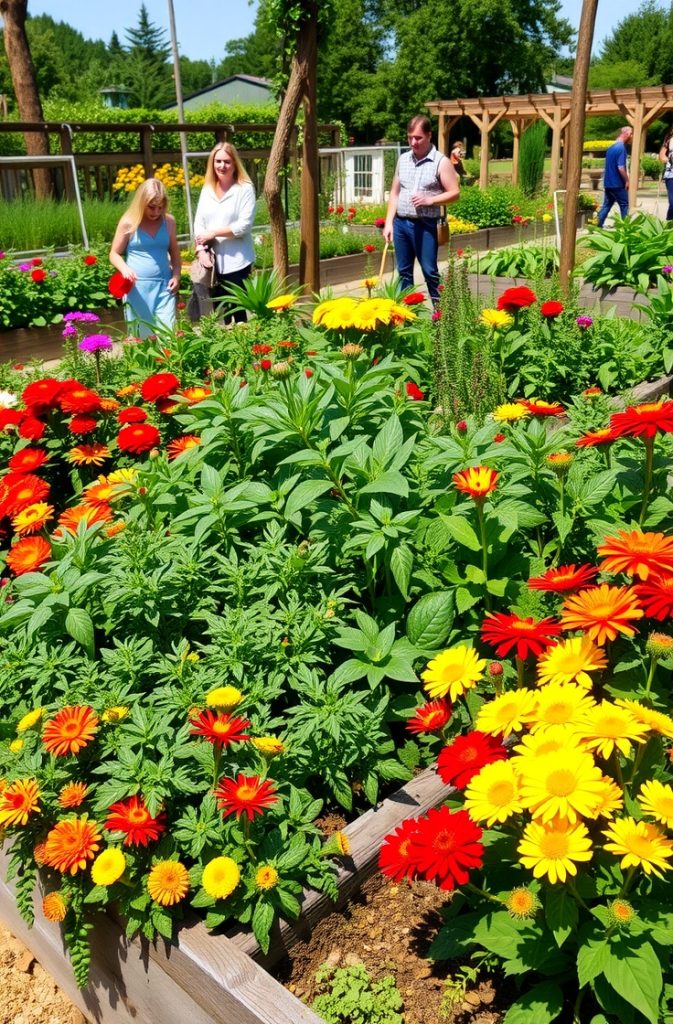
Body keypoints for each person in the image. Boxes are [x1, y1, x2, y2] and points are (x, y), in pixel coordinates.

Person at [383, 115, 460, 303]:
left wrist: (430, 200)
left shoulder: (441, 162)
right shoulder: (403, 160)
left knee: (429, 271)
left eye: (418, 138)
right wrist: (388, 223)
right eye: (410, 137)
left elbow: (455, 193)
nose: (413, 142)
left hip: (425, 225)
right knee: (404, 273)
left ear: (429, 136)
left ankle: (441, 317)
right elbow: (395, 193)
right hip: (401, 223)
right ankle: (408, 318)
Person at [109, 178, 181, 338]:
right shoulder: (128, 222)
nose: (156, 212)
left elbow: (175, 252)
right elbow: (114, 253)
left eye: (160, 208)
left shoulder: (168, 222)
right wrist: (125, 269)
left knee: (168, 335)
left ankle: (169, 363)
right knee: (142, 337)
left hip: (164, 287)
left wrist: (176, 275)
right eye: (151, 207)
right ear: (141, 202)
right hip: (137, 289)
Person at [193, 142, 255, 323]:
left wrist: (213, 233)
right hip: (212, 263)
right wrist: (201, 250)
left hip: (237, 262)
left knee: (239, 312)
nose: (222, 166)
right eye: (218, 161)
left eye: (227, 161)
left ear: (235, 163)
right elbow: (198, 223)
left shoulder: (244, 189)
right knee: (220, 313)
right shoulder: (207, 189)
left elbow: (244, 226)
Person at [596, 126, 633, 227]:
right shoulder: (621, 148)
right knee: (624, 204)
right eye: (631, 134)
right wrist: (627, 180)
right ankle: (625, 228)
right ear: (625, 133)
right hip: (617, 183)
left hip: (608, 182)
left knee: (607, 204)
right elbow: (621, 167)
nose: (631, 136)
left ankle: (597, 225)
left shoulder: (611, 148)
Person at [659, 126, 673, 221]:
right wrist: (668, 159)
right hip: (671, 174)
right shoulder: (669, 139)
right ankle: (669, 226)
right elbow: (662, 155)